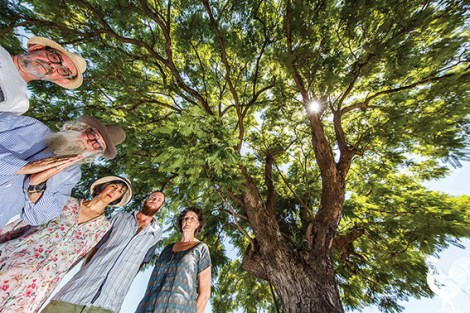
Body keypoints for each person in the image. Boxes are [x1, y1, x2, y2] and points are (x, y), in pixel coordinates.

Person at [0, 175, 132, 313]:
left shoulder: (103, 227)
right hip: (18, 257)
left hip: (43, 279)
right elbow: (29, 221)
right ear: (101, 187)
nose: (115, 191)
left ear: (118, 198)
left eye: (120, 192)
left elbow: (79, 256)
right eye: (114, 186)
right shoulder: (66, 202)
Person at [42, 190, 166, 313]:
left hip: (109, 301)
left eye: (159, 200)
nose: (155, 200)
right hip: (76, 291)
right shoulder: (119, 217)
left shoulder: (156, 233)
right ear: (146, 199)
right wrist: (86, 270)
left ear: (161, 207)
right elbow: (96, 245)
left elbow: (142, 262)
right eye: (153, 197)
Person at [0, 113, 126, 228]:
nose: (90, 142)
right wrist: (22, 167)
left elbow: (38, 218)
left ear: (95, 153)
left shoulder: (72, 175)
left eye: (97, 145)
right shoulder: (30, 126)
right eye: (92, 135)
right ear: (81, 127)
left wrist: (36, 187)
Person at [135, 207, 212, 313]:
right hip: (149, 306)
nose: (188, 221)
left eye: (192, 218)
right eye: (185, 218)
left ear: (198, 224)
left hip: (179, 308)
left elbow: (205, 293)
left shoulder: (201, 248)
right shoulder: (167, 248)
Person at [0, 36, 87, 115]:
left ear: (59, 80)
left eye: (64, 71)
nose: (53, 66)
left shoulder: (19, 104)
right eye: (54, 58)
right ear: (36, 48)